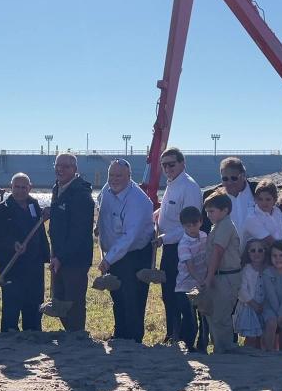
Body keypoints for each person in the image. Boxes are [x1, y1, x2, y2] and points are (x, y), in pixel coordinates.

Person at [97, 159, 155, 342]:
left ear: (129, 177)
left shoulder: (137, 201)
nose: (114, 179)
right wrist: (98, 228)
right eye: (111, 175)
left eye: (119, 176)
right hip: (115, 252)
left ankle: (133, 338)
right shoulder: (107, 189)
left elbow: (129, 238)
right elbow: (101, 205)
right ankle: (120, 333)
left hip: (135, 254)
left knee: (133, 297)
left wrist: (108, 260)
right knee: (117, 293)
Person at [154, 147, 203, 343]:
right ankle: (172, 333)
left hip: (184, 248)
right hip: (169, 247)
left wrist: (164, 238)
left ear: (182, 164)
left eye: (171, 164)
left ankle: (188, 337)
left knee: (183, 294)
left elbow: (190, 225)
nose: (167, 168)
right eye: (164, 165)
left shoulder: (189, 187)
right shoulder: (172, 184)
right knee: (168, 293)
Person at [0, 173, 50, 332]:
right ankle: (9, 334)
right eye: (17, 187)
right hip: (12, 266)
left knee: (34, 302)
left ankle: (33, 332)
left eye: (24, 187)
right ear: (11, 187)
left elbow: (39, 231)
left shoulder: (34, 205)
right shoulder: (2, 209)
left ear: (30, 188)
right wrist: (13, 244)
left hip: (34, 264)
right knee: (12, 304)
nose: (20, 190)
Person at [47, 153, 95, 332]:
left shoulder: (81, 194)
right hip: (58, 256)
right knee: (59, 299)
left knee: (73, 302)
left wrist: (61, 257)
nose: (60, 169)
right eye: (58, 165)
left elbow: (79, 233)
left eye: (66, 166)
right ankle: (70, 333)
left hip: (75, 259)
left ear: (75, 170)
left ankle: (77, 337)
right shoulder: (57, 188)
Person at [202, 191, 242, 354]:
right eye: (207, 211)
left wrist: (209, 277)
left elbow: (218, 252)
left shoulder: (225, 225)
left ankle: (224, 351)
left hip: (226, 276)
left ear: (225, 210)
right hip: (220, 275)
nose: (208, 215)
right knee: (214, 315)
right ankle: (220, 348)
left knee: (221, 317)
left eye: (212, 211)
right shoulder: (217, 225)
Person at [175, 206, 208, 350]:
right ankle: (187, 346)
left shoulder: (204, 237)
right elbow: (189, 266)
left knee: (204, 318)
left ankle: (202, 346)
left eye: (194, 224)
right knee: (190, 319)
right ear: (183, 226)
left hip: (201, 285)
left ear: (200, 222)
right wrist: (200, 280)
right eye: (187, 225)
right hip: (185, 287)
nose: (191, 228)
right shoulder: (183, 243)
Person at [233, 239, 267, 349]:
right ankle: (247, 357)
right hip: (249, 307)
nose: (256, 253)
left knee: (262, 336)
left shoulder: (268, 270)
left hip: (264, 307)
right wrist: (253, 304)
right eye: (253, 250)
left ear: (265, 252)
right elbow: (241, 290)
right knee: (251, 337)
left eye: (260, 250)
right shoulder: (246, 270)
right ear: (247, 253)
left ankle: (258, 361)